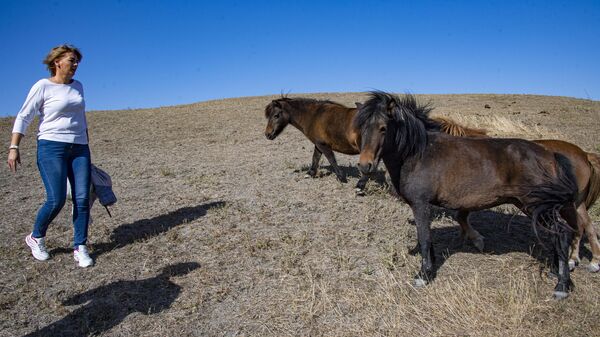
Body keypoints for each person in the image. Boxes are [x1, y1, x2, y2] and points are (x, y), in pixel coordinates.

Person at [7, 44, 93, 267]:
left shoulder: (78, 86)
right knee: (56, 199)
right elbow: (24, 116)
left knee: (82, 198)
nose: (75, 65)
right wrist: (14, 147)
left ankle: (80, 246)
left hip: (80, 148)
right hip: (51, 147)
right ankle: (36, 237)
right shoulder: (43, 86)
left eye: (77, 62)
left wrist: (86, 141)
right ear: (57, 62)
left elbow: (80, 116)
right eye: (71, 60)